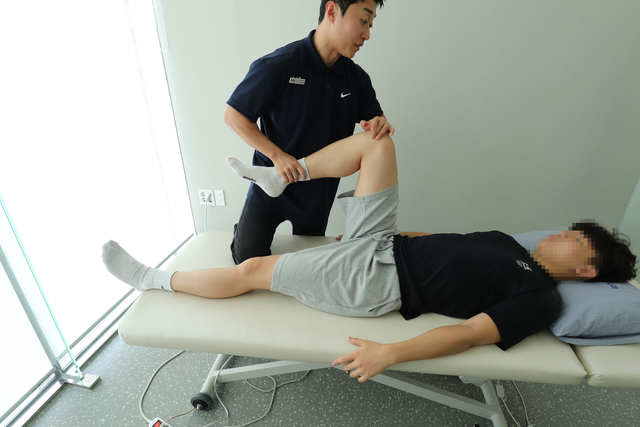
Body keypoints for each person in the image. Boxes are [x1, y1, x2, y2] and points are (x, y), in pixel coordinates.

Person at [102, 132, 637, 383]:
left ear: (585, 269)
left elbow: (471, 333)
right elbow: (442, 238)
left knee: (252, 272)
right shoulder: (510, 243)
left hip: (376, 280)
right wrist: (368, 231)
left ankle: (152, 279)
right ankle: (280, 174)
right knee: (376, 143)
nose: (557, 235)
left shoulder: (540, 297)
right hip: (384, 243)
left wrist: (391, 353)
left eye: (571, 239)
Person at [223, 0, 393, 264]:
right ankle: (242, 230)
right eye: (363, 21)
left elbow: (375, 125)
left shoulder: (357, 80)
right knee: (245, 260)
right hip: (271, 183)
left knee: (306, 270)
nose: (367, 34)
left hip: (316, 196)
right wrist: (277, 156)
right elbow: (233, 116)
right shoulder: (279, 65)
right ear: (332, 11)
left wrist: (380, 124)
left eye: (371, 25)